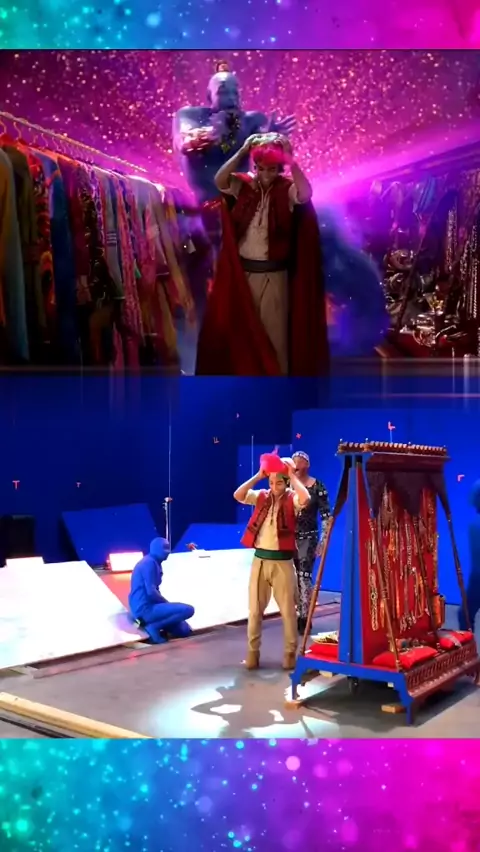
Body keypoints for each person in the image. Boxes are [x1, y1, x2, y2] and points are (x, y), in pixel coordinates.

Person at [195, 134, 329, 376]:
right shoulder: (244, 185)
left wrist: (290, 159)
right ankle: (247, 392)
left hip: (274, 276)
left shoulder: (286, 189)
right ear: (255, 166)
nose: (266, 175)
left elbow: (306, 194)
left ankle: (275, 392)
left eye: (272, 169)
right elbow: (220, 180)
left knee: (275, 338)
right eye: (261, 169)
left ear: (279, 169)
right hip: (242, 276)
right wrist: (242, 150)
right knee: (241, 338)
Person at [234, 457, 310, 671]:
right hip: (260, 561)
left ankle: (289, 654)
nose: (274, 487)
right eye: (271, 482)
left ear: (286, 482)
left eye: (279, 482)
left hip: (282, 563)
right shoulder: (261, 496)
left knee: (288, 611)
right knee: (255, 610)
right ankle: (252, 653)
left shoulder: (292, 498)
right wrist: (259, 476)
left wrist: (292, 476)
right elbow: (238, 495)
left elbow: (305, 498)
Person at [291, 451, 331, 634]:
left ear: (307, 465)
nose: (296, 465)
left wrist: (323, 540)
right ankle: (293, 612)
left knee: (304, 576)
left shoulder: (317, 486)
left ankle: (304, 616)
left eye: (300, 462)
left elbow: (326, 516)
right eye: (294, 462)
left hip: (308, 537)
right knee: (290, 577)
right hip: (288, 537)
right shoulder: (286, 485)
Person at [128, 538, 195, 643]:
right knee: (188, 610)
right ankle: (154, 626)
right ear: (155, 548)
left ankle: (157, 625)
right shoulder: (148, 563)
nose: (168, 552)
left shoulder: (154, 563)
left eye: (168, 548)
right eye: (165, 548)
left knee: (184, 630)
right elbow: (151, 593)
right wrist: (168, 605)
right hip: (144, 609)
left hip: (151, 606)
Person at [459, 480, 480, 632]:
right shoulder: (475, 524)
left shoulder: (475, 525)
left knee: (464, 615)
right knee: (464, 615)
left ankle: (468, 643)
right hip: (477, 578)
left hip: (477, 578)